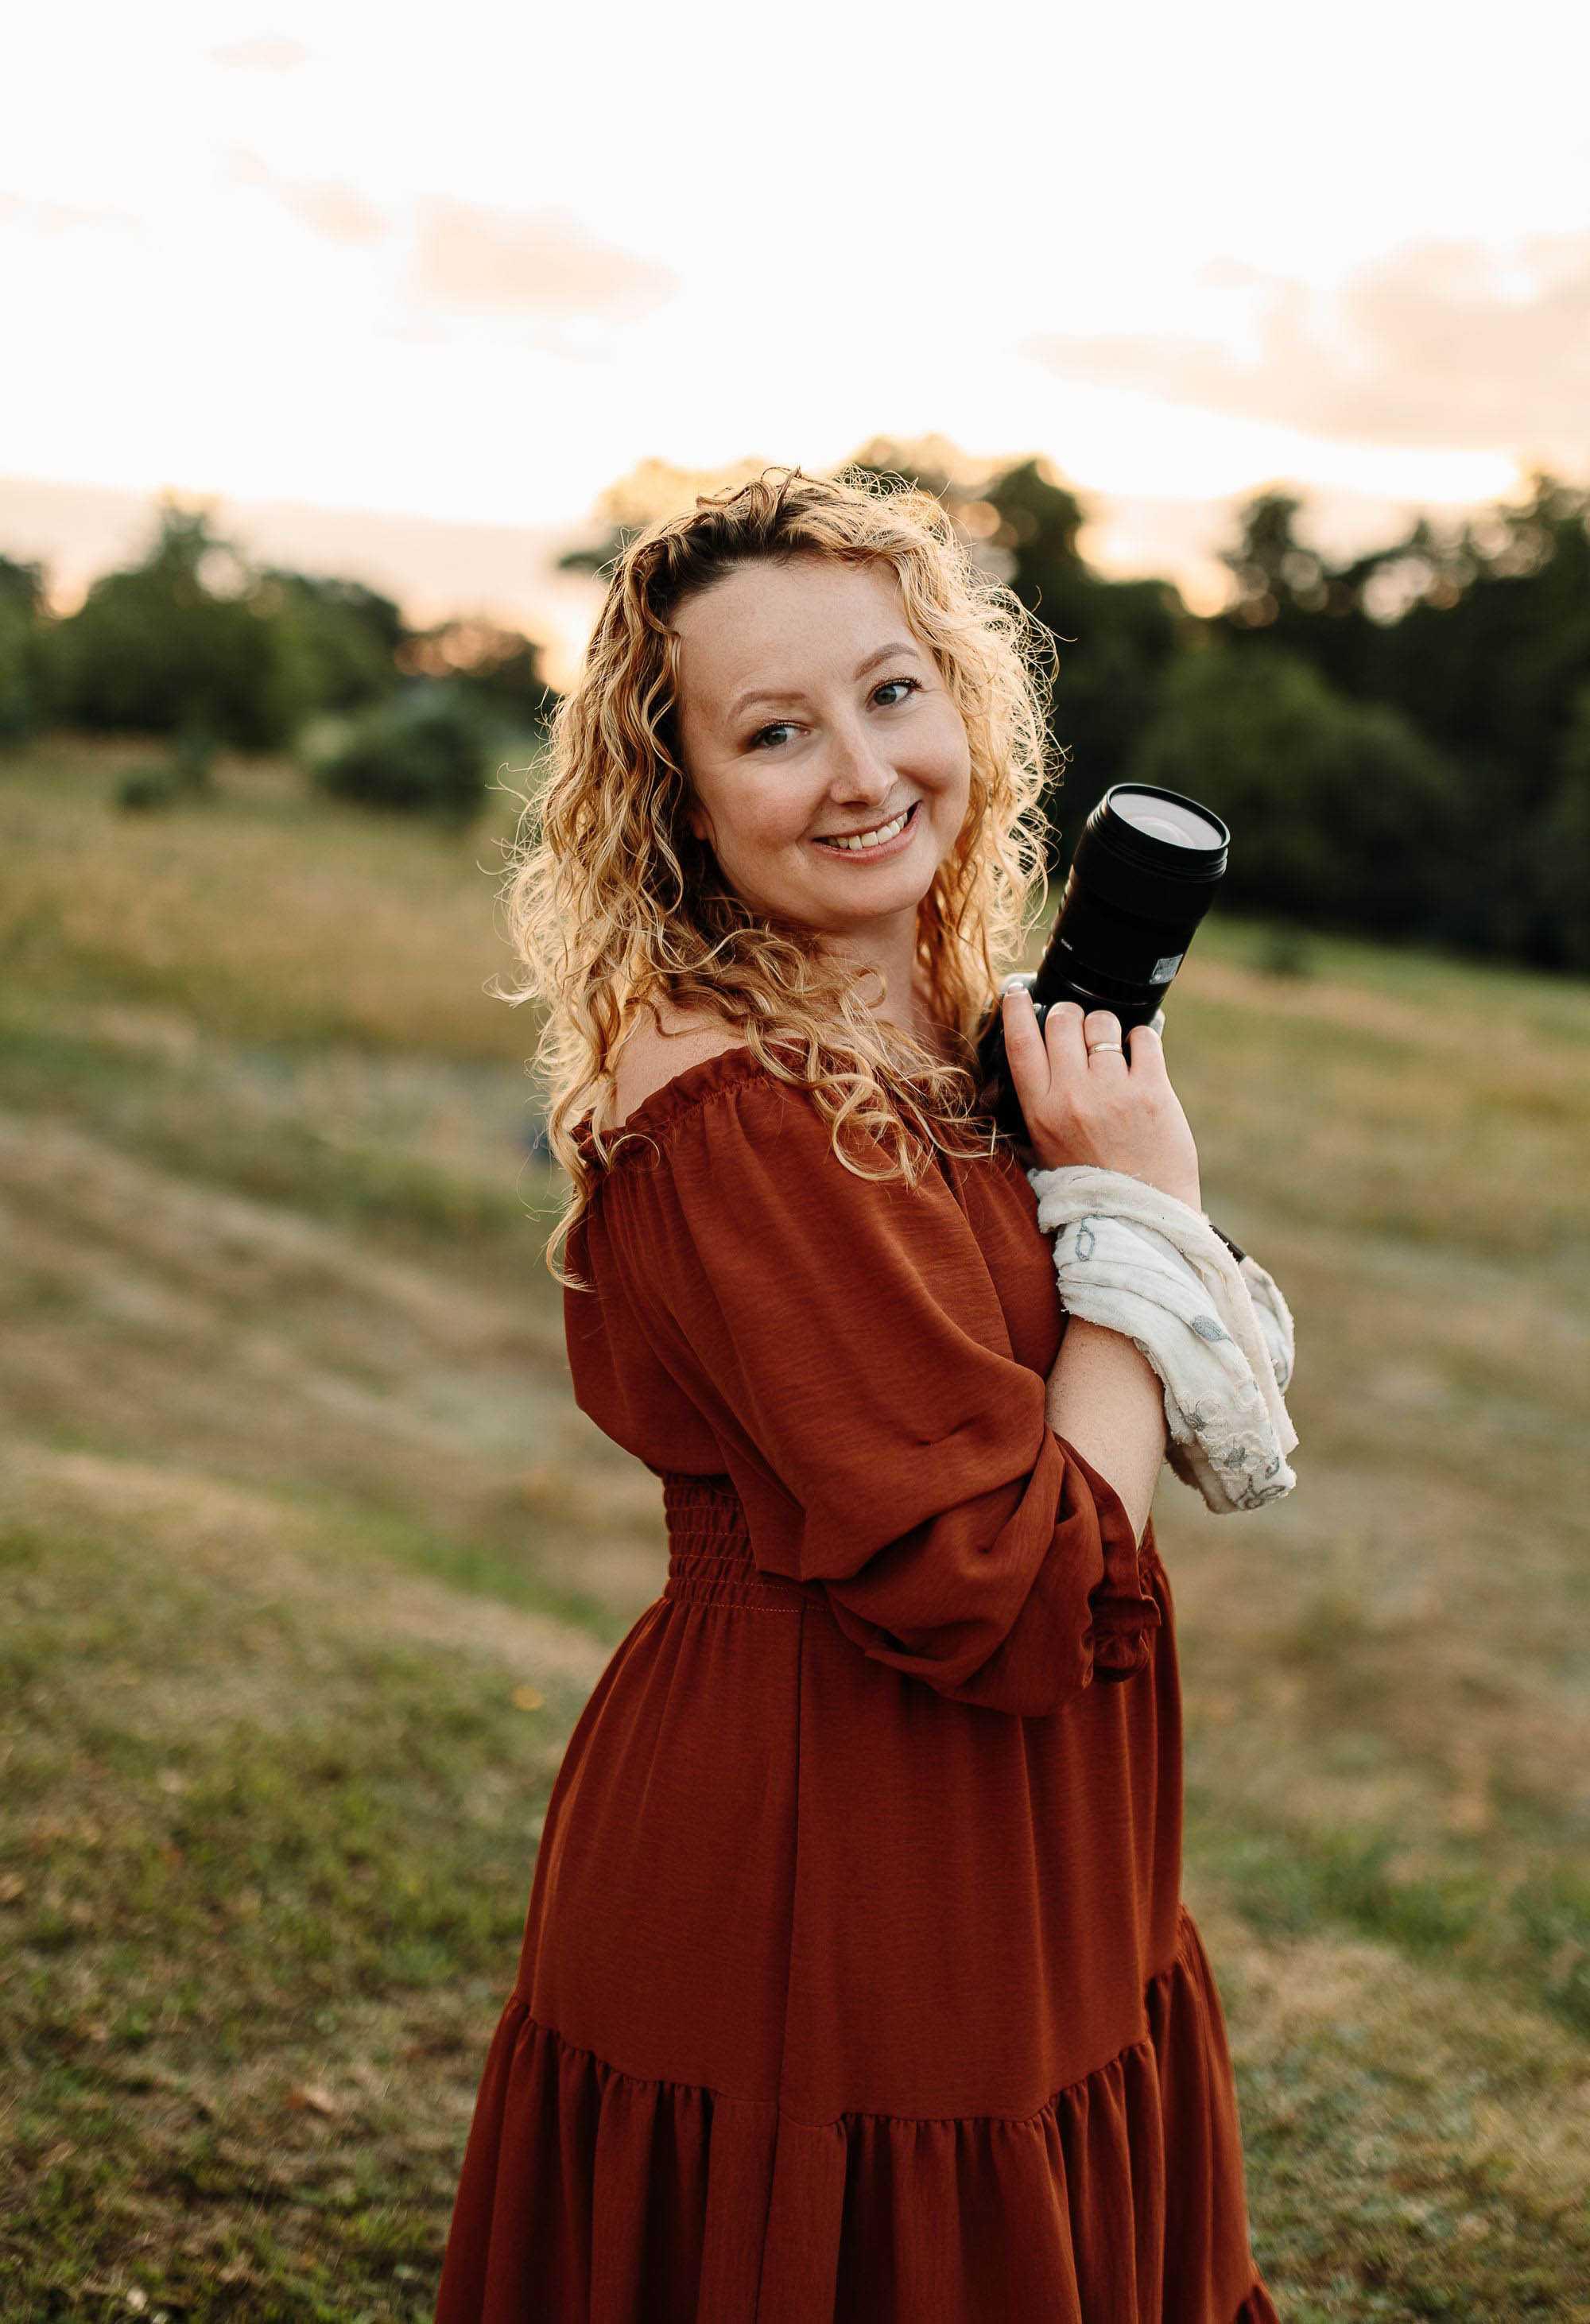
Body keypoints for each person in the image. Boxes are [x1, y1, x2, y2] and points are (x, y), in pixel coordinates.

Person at [433, 466, 1281, 2322]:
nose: (861, 771)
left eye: (893, 692)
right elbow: (1010, 1579)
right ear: (680, 795)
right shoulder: (726, 1098)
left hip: (1037, 1826)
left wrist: (1097, 1177)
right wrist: (1140, 1219)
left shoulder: (941, 1032)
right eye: (774, 731)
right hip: (834, 1840)